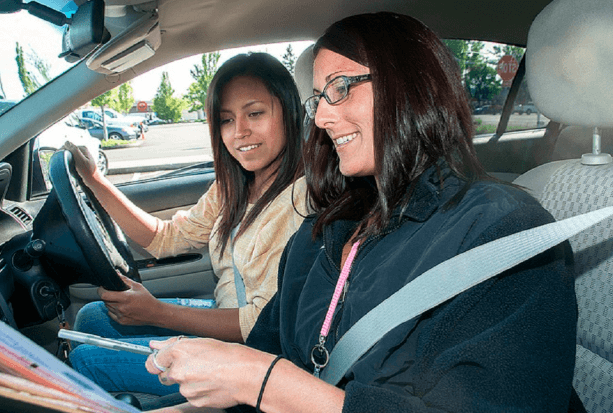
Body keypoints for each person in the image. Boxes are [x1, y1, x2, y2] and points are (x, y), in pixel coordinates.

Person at [144, 12, 580, 413]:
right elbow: (262, 356)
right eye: (318, 98)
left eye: (340, 88)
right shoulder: (321, 230)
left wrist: (265, 384)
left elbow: (260, 378)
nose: (320, 118)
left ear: (409, 85)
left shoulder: (502, 232)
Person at [65, 52, 309, 397]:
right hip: (226, 315)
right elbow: (167, 238)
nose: (240, 132)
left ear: (289, 111)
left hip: (257, 353)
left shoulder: (300, 202)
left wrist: (158, 313)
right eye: (226, 120)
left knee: (88, 361)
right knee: (92, 315)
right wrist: (93, 179)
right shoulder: (234, 185)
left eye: (255, 113)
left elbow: (259, 323)